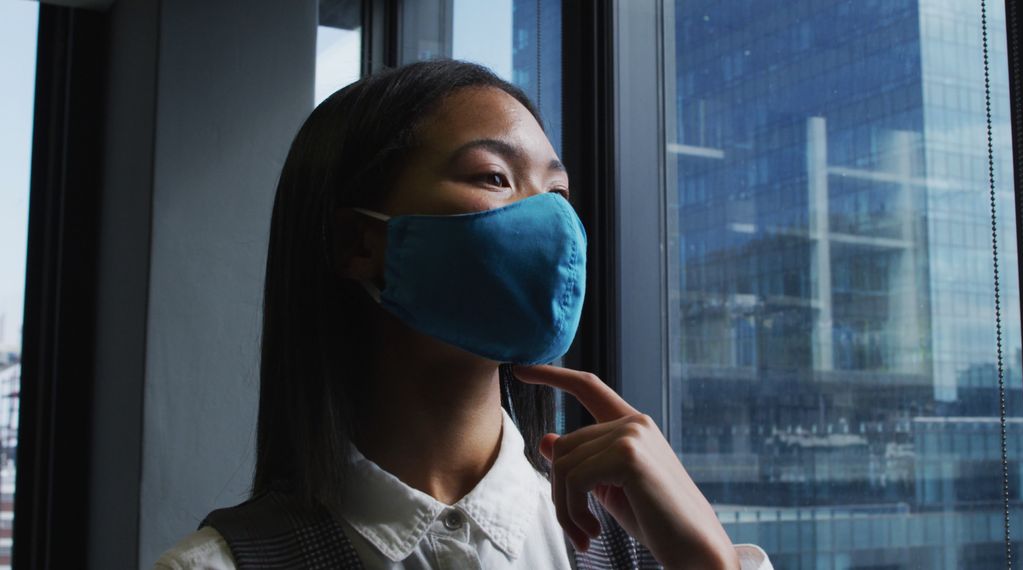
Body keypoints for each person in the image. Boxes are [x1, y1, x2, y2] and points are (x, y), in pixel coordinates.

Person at [155, 59, 772, 569]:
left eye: (557, 193)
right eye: (495, 176)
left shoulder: (645, 552)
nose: (553, 224)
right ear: (361, 244)